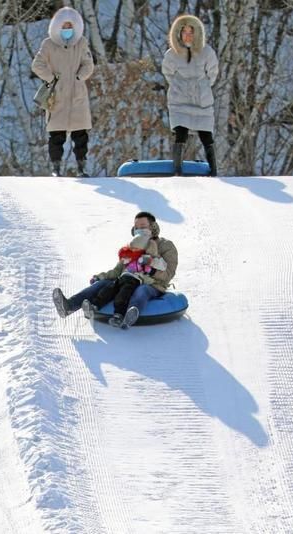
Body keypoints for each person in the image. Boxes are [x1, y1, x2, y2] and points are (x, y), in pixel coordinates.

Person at [52, 211, 178, 329]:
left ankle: (130, 314)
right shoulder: (132, 247)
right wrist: (101, 277)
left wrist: (151, 269)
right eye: (136, 227)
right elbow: (118, 270)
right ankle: (69, 306)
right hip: (127, 280)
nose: (139, 230)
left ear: (153, 227)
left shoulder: (166, 245)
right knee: (102, 285)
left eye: (143, 226)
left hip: (152, 284)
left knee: (142, 290)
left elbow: (168, 274)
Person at [31, 6, 94, 178]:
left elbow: (88, 65)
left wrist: (79, 78)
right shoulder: (48, 44)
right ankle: (56, 168)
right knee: (56, 135)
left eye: (70, 26)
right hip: (56, 94)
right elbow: (37, 65)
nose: (67, 30)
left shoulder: (81, 43)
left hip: (77, 94)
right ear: (57, 26)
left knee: (80, 134)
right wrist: (51, 78)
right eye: (64, 26)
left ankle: (82, 168)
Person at [161, 14, 219, 177]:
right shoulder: (172, 54)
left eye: (191, 32)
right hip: (179, 101)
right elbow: (168, 72)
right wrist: (180, 86)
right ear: (178, 33)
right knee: (180, 133)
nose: (188, 35)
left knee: (206, 135)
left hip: (202, 101)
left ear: (197, 33)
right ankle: (177, 170)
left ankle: (214, 170)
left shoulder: (207, 52)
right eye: (184, 32)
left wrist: (203, 86)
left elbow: (213, 72)